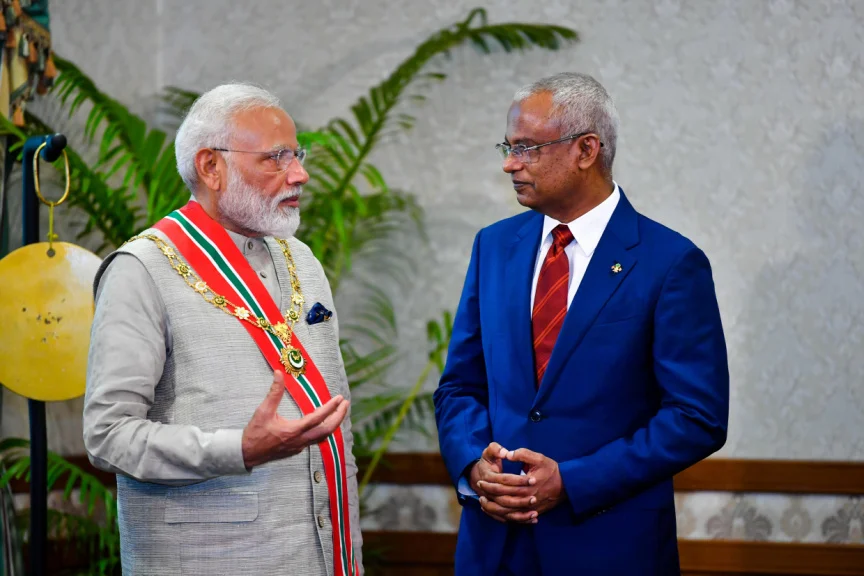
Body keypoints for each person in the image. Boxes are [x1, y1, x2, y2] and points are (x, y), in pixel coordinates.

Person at [434, 72, 729, 575]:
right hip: (494, 546)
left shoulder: (670, 263)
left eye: (526, 148)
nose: (510, 163)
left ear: (586, 150)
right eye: (509, 146)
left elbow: (696, 418)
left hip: (608, 547)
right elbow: (460, 385)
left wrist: (571, 481)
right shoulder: (494, 246)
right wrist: (473, 466)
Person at [83, 83, 362, 576]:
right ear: (211, 167)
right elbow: (109, 435)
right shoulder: (141, 268)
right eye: (276, 158)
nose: (300, 174)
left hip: (323, 554)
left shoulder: (301, 259)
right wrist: (238, 450)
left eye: (297, 154)